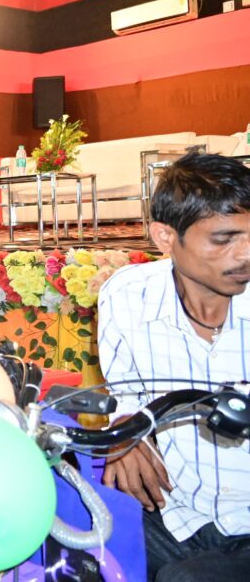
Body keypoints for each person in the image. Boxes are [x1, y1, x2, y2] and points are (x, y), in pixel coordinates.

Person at [98, 152, 250, 582]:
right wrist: (124, 431)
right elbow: (124, 393)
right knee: (80, 542)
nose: (245, 254)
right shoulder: (127, 296)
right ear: (165, 237)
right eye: (224, 239)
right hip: (178, 510)